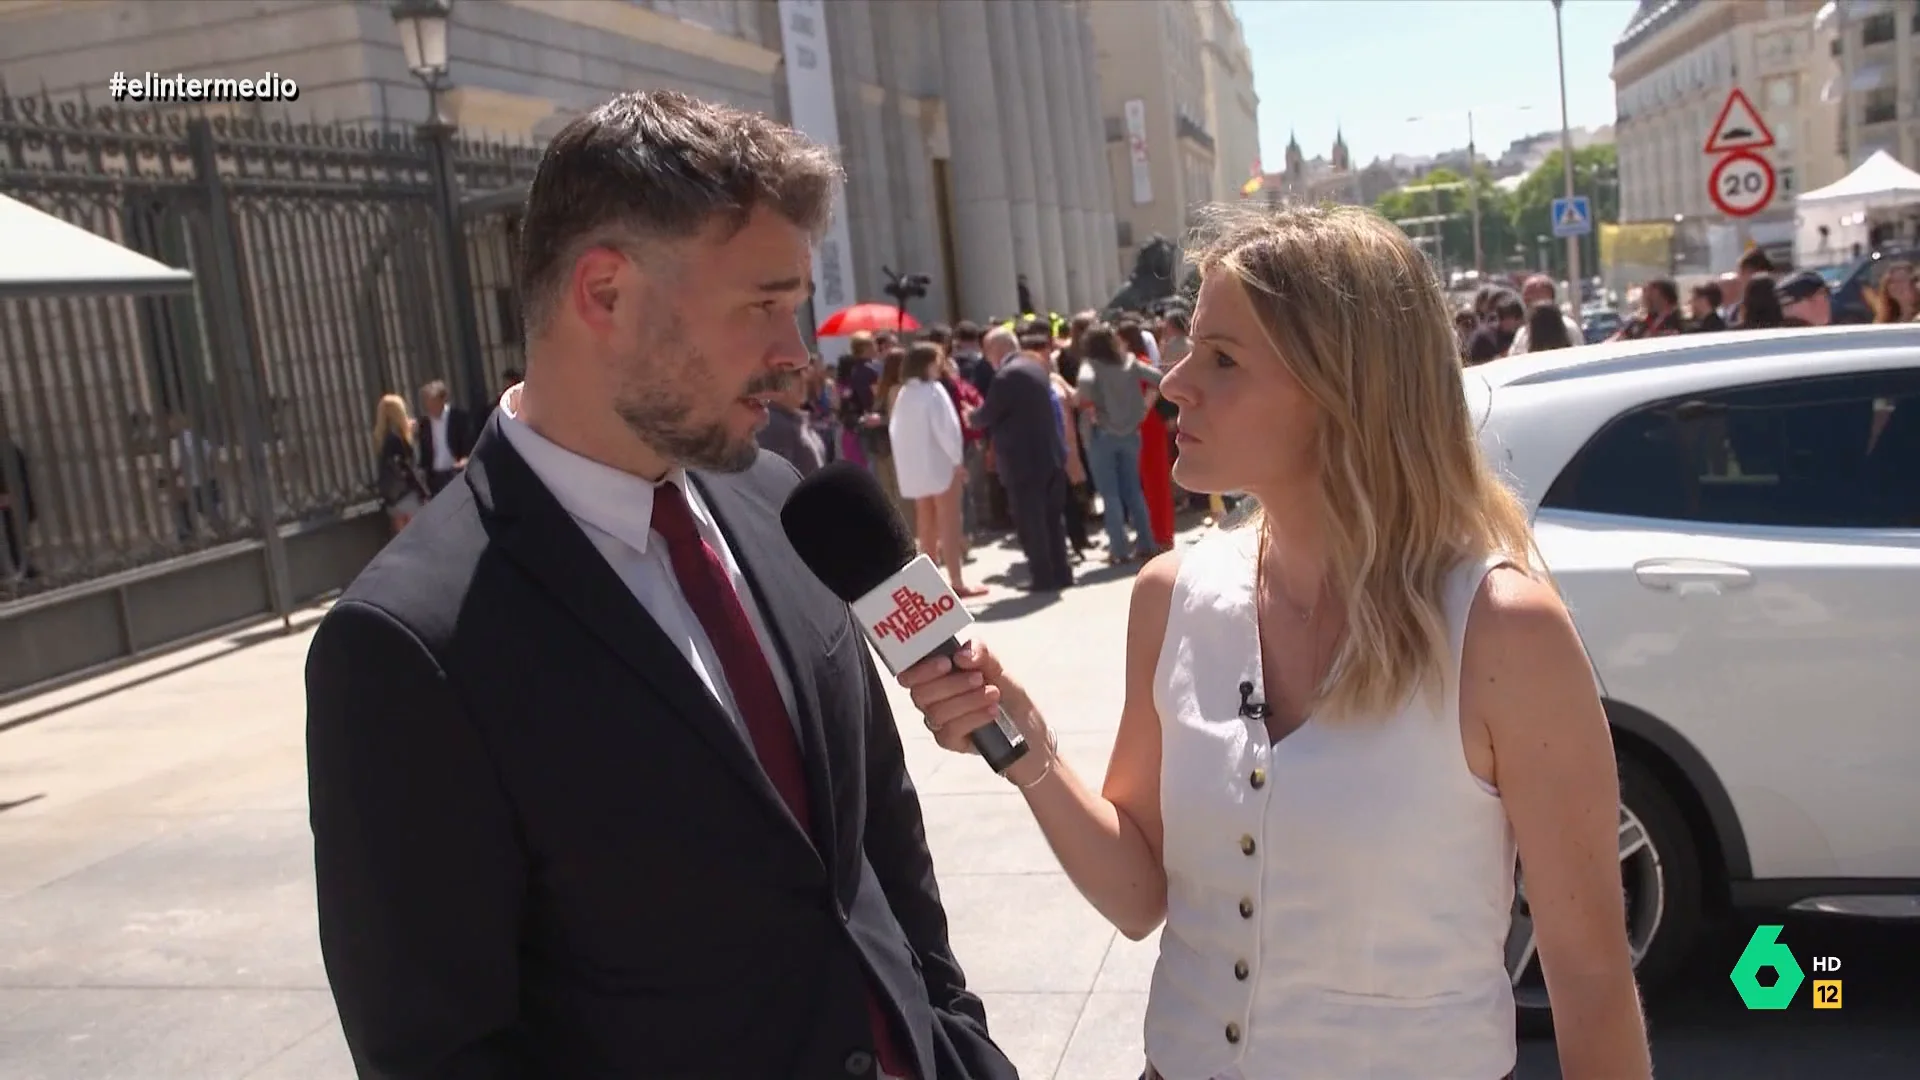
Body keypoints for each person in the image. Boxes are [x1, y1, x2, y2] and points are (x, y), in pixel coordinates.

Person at [305, 89, 1016, 1080]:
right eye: (762, 304)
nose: (793, 352)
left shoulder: (784, 501)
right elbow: (443, 1049)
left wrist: (954, 1032)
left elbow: (877, 835)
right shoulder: (409, 644)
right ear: (606, 293)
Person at [899, 204, 1651, 1080]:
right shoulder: (1173, 595)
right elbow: (1140, 897)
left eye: (1221, 359)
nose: (1174, 381)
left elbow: (1591, 978)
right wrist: (1018, 732)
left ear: (1345, 388)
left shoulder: (1502, 630)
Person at [967, 325, 1073, 592]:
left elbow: (987, 414)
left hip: (1023, 462)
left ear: (995, 350)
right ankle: (1062, 572)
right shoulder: (1034, 366)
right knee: (1052, 519)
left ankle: (1043, 577)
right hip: (1050, 455)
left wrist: (970, 415)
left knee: (1032, 521)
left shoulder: (1006, 376)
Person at [890, 342, 985, 597]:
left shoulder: (904, 394)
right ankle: (956, 580)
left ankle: (927, 585)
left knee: (926, 527)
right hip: (941, 464)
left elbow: (896, 432)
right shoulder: (933, 391)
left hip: (916, 469)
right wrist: (957, 461)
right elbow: (948, 430)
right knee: (950, 523)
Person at [1075, 323, 1162, 564]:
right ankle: (1146, 542)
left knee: (1110, 494)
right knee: (1134, 490)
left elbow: (1082, 392)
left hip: (1102, 434)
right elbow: (1158, 378)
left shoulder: (1090, 366)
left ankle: (1119, 549)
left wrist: (1090, 407)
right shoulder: (1130, 363)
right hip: (1131, 432)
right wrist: (1144, 407)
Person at [372, 393, 428, 534]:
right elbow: (408, 468)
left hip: (392, 498)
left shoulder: (381, 437)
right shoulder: (399, 438)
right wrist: (424, 493)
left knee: (402, 540)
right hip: (407, 494)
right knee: (418, 536)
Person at [415, 378, 477, 495]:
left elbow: (469, 444)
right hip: (435, 478)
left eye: (433, 402)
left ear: (443, 399)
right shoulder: (425, 424)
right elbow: (424, 453)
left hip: (456, 473)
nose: (429, 406)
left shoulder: (459, 418)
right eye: (426, 402)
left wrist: (465, 460)